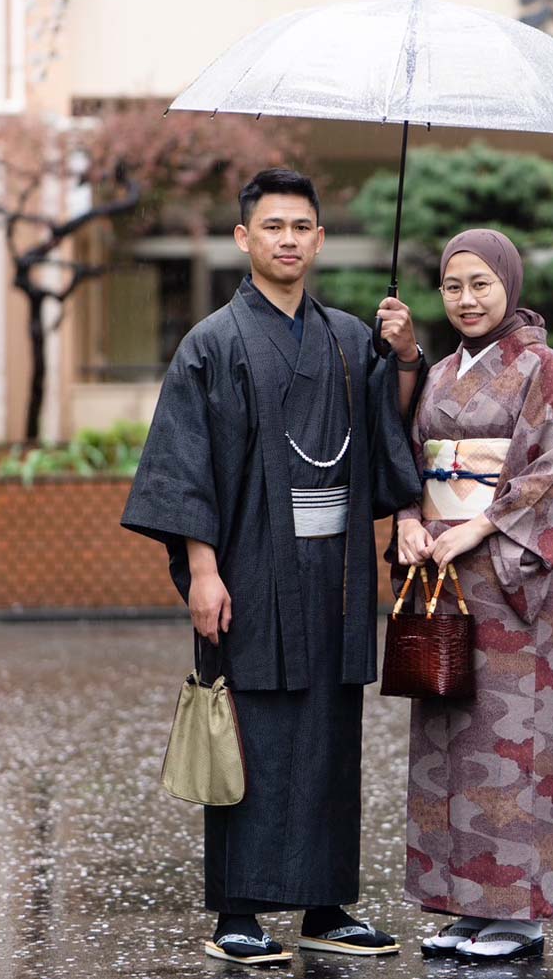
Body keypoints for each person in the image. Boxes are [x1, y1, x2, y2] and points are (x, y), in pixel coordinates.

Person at [122, 168, 426, 966]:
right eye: (272, 226)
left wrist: (402, 355)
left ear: (319, 239)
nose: (287, 239)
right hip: (249, 563)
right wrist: (202, 570)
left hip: (334, 570)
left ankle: (326, 905)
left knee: (328, 730)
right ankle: (238, 911)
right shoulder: (212, 342)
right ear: (243, 238)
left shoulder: (349, 338)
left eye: (300, 227)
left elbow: (389, 433)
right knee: (249, 729)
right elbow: (183, 464)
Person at [393, 229, 553, 963]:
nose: (467, 299)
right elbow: (407, 456)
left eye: (481, 283)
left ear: (509, 283)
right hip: (442, 570)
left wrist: (481, 524)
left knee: (510, 736)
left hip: (511, 577)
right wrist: (409, 520)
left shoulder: (543, 367)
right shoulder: (440, 372)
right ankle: (460, 904)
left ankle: (517, 914)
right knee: (445, 728)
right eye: (453, 286)